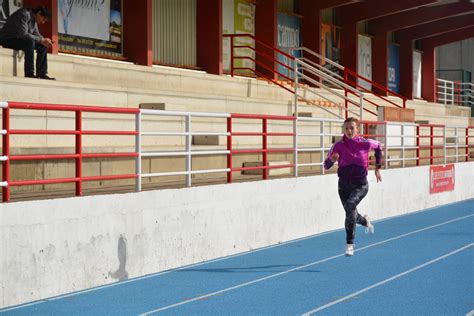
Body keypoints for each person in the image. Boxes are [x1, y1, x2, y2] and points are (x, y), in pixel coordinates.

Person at [324, 117, 382, 256]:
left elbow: (379, 146)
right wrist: (331, 160)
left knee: (350, 206)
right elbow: (326, 166)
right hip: (343, 186)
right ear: (343, 129)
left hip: (360, 185)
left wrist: (377, 168)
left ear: (357, 129)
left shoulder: (365, 143)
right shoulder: (338, 146)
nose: (349, 131)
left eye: (352, 128)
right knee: (350, 213)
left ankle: (350, 244)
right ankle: (364, 221)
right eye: (346, 128)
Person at [0, 6, 55, 80]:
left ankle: (42, 73)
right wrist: (41, 40)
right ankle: (29, 73)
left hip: (20, 40)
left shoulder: (34, 20)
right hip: (8, 39)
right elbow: (23, 34)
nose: (43, 22)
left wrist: (44, 40)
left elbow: (36, 34)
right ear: (39, 13)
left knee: (42, 45)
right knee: (30, 42)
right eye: (43, 19)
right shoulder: (24, 14)